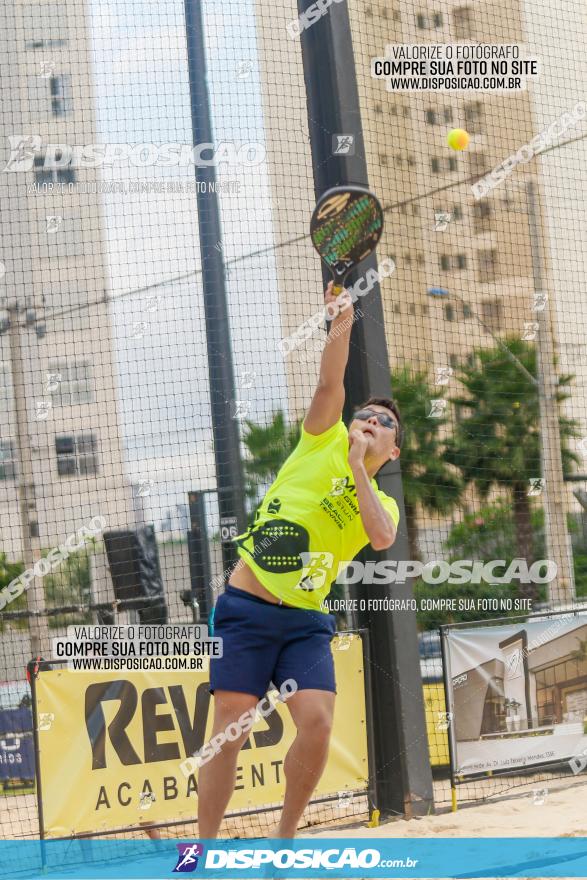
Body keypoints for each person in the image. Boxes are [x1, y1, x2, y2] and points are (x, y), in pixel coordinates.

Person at [198, 281, 402, 838]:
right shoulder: (321, 437)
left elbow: (381, 540)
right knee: (229, 730)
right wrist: (342, 319)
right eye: (368, 414)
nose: (372, 421)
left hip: (305, 622)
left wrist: (360, 467)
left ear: (393, 451)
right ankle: (203, 854)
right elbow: (331, 380)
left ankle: (283, 842)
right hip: (246, 606)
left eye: (385, 424)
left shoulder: (381, 501)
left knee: (317, 724)